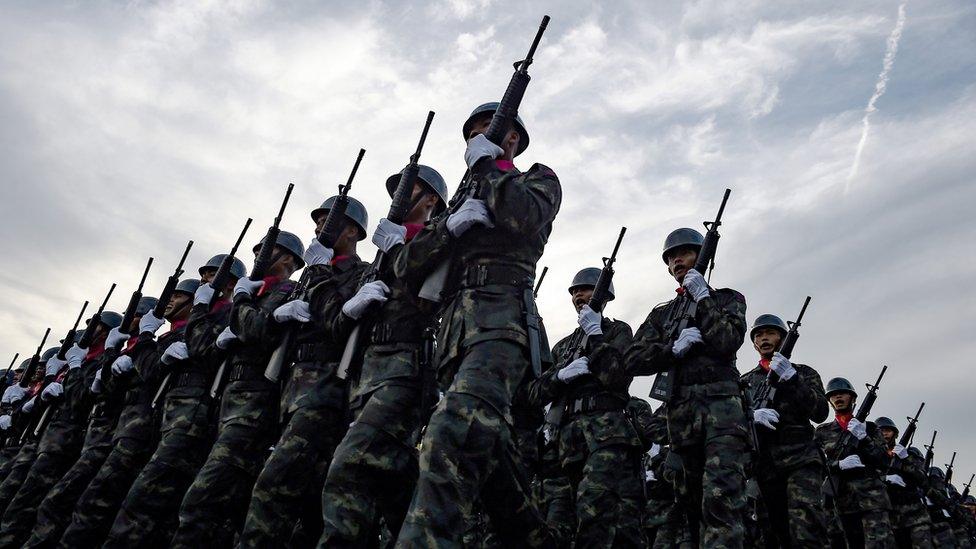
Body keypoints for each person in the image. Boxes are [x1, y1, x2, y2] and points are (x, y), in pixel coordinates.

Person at [394, 102, 562, 547]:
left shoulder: (537, 179)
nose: (479, 136)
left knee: (450, 436)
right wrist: (448, 227)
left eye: (489, 130)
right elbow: (406, 270)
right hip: (453, 339)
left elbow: (522, 214)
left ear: (512, 139)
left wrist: (487, 167)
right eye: (473, 133)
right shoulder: (460, 201)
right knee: (495, 469)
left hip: (502, 324)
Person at [317, 168, 447, 546]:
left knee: (349, 468)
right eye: (394, 190)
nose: (398, 196)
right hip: (366, 374)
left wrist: (397, 249)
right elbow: (335, 324)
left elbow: (430, 299)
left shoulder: (436, 239)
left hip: (404, 369)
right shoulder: (377, 259)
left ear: (430, 200)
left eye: (409, 189)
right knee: (394, 483)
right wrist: (344, 300)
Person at [239, 196, 370, 547]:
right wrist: (254, 308)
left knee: (274, 488)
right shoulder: (302, 280)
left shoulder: (362, 272)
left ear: (353, 231)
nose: (318, 230)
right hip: (288, 392)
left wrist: (321, 272)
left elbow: (338, 321)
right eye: (318, 222)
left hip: (326, 389)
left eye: (329, 223)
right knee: (310, 498)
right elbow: (258, 333)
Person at [172, 233, 305, 547]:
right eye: (257, 250)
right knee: (219, 504)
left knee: (201, 499)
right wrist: (201, 310)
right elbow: (203, 347)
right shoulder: (252, 296)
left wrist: (243, 301)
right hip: (225, 402)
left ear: (289, 260)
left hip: (254, 403)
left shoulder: (287, 291)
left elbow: (257, 331)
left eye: (268, 250)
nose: (259, 255)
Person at [104, 255, 246, 547]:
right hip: (163, 416)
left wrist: (143, 338)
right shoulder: (196, 320)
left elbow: (159, 367)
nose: (206, 282)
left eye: (211, 277)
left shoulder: (226, 314)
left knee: (142, 500)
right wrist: (115, 357)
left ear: (228, 283)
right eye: (204, 277)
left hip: (191, 415)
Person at [622, 227, 750, 546]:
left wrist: (704, 298)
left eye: (684, 253)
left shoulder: (727, 299)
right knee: (690, 509)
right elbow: (633, 359)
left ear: (701, 255)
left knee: (722, 503)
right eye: (671, 257)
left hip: (723, 415)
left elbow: (727, 340)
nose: (677, 260)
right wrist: (671, 350)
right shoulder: (662, 314)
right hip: (681, 422)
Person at [54, 280, 200, 547]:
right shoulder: (158, 340)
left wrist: (141, 341)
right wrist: (111, 354)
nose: (170, 301)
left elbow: (151, 372)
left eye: (179, 296)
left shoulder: (179, 335)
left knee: (101, 504)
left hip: (139, 430)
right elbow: (102, 390)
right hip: (116, 430)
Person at [526, 267, 642, 547]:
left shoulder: (617, 331)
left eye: (586, 289)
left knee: (599, 512)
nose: (579, 295)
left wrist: (596, 335)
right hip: (568, 441)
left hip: (606, 433)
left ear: (604, 294)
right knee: (570, 517)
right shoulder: (564, 346)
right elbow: (534, 393)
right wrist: (560, 376)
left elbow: (617, 376)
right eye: (575, 291)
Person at [0, 308, 126, 548]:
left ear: (108, 332)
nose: (88, 331)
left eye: (96, 326)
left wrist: (75, 368)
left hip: (64, 443)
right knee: (15, 499)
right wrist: (20, 402)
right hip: (41, 440)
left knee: (35, 503)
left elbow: (80, 399)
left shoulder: (97, 362)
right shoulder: (73, 366)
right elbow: (35, 411)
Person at [740, 313, 830, 547]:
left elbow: (820, 412)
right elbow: (732, 423)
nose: (764, 339)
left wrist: (793, 379)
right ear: (754, 343)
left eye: (770, 333)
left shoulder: (804, 373)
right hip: (765, 465)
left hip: (801, 459)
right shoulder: (745, 381)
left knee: (807, 527)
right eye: (759, 335)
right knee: (771, 532)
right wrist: (751, 417)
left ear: (783, 337)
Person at [816, 377, 894, 548]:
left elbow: (884, 462)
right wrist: (838, 465)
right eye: (833, 395)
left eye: (842, 393)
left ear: (853, 398)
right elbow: (815, 464)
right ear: (829, 401)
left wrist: (864, 438)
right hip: (840, 503)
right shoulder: (822, 432)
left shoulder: (871, 428)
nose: (838, 397)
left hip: (872, 501)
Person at [874, 416, 933, 549]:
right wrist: (884, 479)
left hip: (914, 514)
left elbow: (923, 479)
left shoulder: (908, 454)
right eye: (881, 431)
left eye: (888, 430)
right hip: (889, 517)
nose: (884, 433)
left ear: (894, 433)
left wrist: (906, 459)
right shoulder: (873, 455)